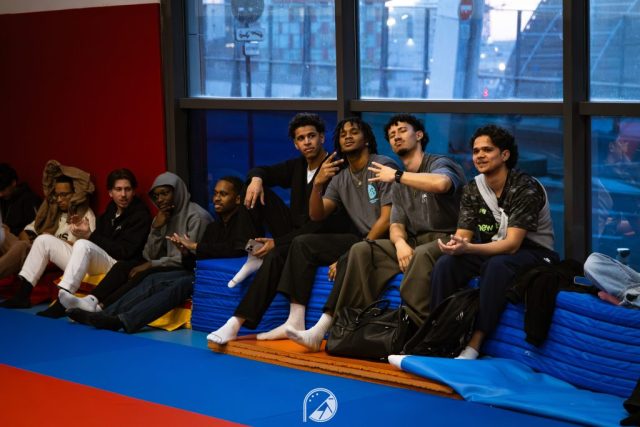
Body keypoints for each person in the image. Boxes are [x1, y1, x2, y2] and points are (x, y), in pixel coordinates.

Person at [286, 114, 466, 351]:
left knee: (418, 255)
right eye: (392, 135)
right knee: (361, 251)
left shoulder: (435, 163)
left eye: (402, 131)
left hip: (450, 237)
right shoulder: (393, 178)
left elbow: (442, 184)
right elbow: (396, 223)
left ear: (419, 135)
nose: (396, 137)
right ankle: (345, 330)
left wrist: (398, 177)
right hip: (414, 239)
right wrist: (400, 243)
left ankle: (427, 338)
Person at [213, 116, 397, 345]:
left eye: (311, 136)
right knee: (256, 194)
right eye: (301, 138)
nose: (307, 142)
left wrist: (279, 242)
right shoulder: (315, 170)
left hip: (347, 237)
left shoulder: (347, 166)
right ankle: (254, 309)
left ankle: (313, 327)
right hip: (303, 233)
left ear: (322, 138)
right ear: (295, 144)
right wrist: (259, 179)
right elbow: (315, 213)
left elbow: (321, 223)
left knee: (289, 248)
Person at [67, 176, 264, 333]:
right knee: (152, 279)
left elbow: (239, 249)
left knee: (180, 284)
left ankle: (124, 321)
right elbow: (197, 262)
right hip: (204, 275)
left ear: (238, 199)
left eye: (223, 194)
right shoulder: (215, 227)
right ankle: (105, 315)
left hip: (226, 278)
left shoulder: (245, 221)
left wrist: (195, 246)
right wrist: (186, 253)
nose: (217, 198)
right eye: (215, 193)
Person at [429, 124, 558, 360]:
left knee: (496, 266)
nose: (479, 155)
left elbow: (512, 245)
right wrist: (455, 246)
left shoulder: (525, 187)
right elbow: (463, 236)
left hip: (535, 252)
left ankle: (475, 343)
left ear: (505, 155)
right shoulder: (473, 188)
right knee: (446, 264)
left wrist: (469, 248)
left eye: (487, 150)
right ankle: (440, 336)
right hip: (494, 249)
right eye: (476, 151)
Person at [1, 168, 150, 316]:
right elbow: (99, 241)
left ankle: (62, 302)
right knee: (43, 240)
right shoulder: (110, 211)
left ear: (133, 191)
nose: (123, 194)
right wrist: (85, 233)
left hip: (116, 264)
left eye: (127, 189)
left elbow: (124, 252)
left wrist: (89, 235)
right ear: (110, 192)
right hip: (96, 260)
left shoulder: (140, 215)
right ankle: (23, 295)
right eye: (118, 189)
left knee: (82, 244)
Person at [58, 171, 212, 312]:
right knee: (124, 267)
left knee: (139, 272)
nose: (160, 200)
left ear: (177, 192)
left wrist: (152, 264)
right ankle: (91, 300)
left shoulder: (196, 217)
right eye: (157, 196)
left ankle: (101, 308)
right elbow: (149, 254)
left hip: (188, 268)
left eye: (165, 193)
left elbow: (189, 258)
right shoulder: (164, 215)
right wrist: (156, 228)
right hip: (162, 263)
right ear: (110, 193)